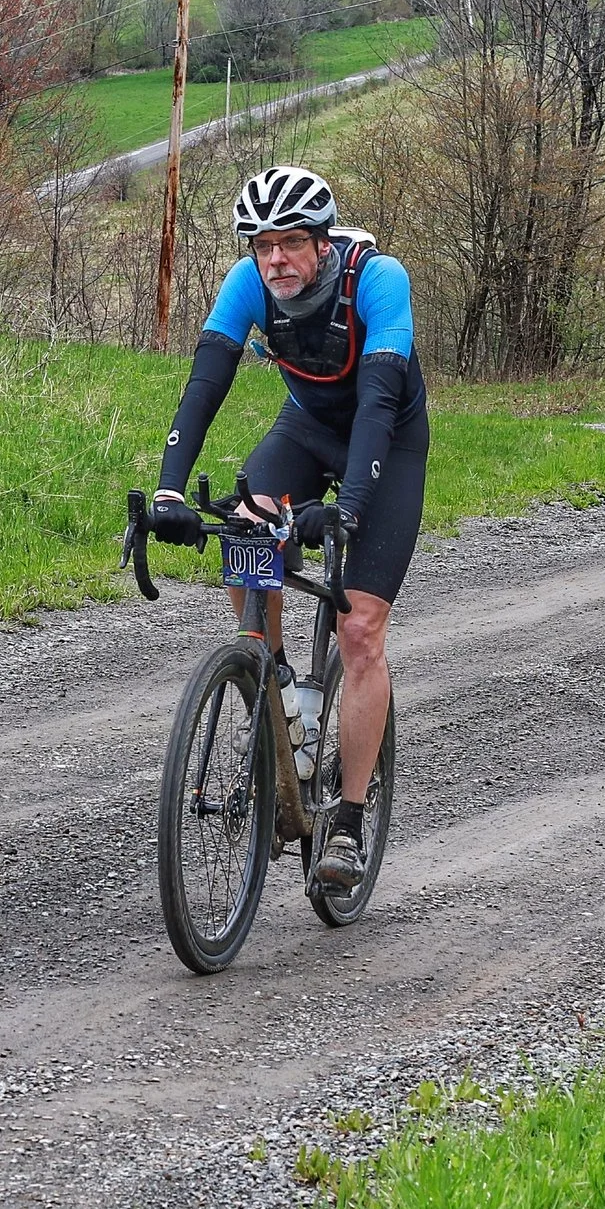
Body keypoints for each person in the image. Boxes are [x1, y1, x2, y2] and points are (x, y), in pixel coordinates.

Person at [150, 164, 427, 888]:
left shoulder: (378, 279)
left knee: (359, 631)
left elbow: (377, 399)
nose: (275, 259)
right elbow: (206, 379)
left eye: (292, 243)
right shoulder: (249, 285)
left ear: (323, 241)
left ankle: (350, 821)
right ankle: (280, 699)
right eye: (261, 244)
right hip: (303, 431)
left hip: (386, 444)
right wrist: (169, 490)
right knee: (245, 532)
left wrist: (350, 509)